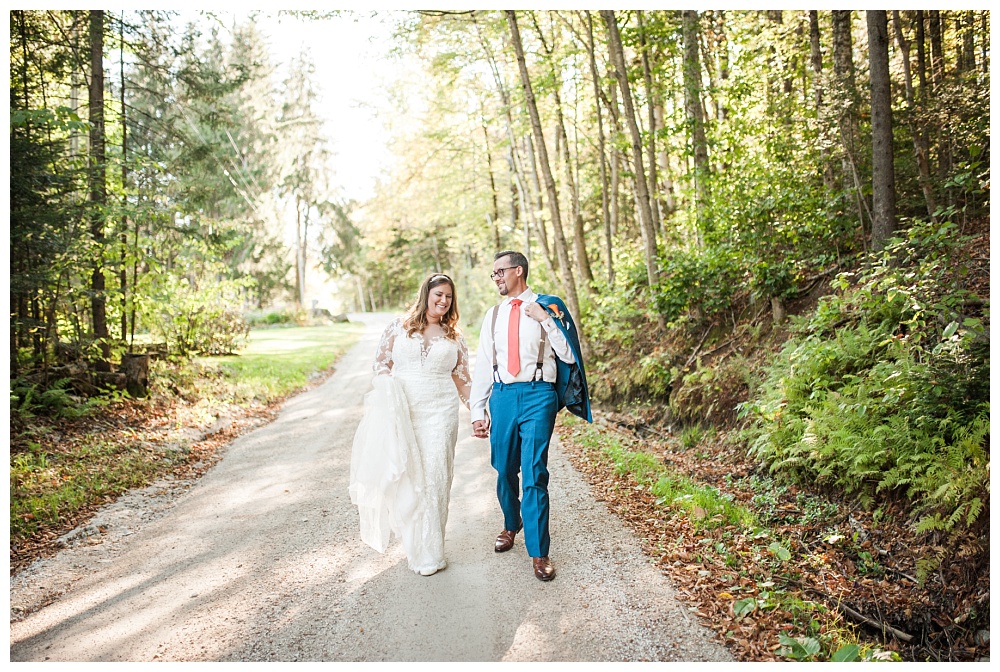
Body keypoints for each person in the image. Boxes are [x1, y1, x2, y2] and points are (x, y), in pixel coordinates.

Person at [470, 251, 592, 581]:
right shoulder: (492, 315)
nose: (495, 278)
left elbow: (568, 355)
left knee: (535, 471)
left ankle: (539, 552)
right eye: (493, 273)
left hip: (539, 395)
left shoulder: (548, 306)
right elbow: (483, 365)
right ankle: (512, 523)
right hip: (503, 397)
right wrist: (476, 410)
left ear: (518, 271)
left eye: (499, 272)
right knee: (504, 468)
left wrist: (544, 319)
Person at [349, 273, 472, 576]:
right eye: (438, 295)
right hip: (405, 411)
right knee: (409, 479)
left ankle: (431, 552)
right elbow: (380, 365)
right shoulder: (398, 328)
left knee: (436, 478)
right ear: (426, 295)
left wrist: (480, 412)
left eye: (448, 297)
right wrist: (386, 385)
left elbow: (463, 381)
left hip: (441, 412)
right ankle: (413, 543)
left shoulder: (455, 337)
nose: (443, 301)